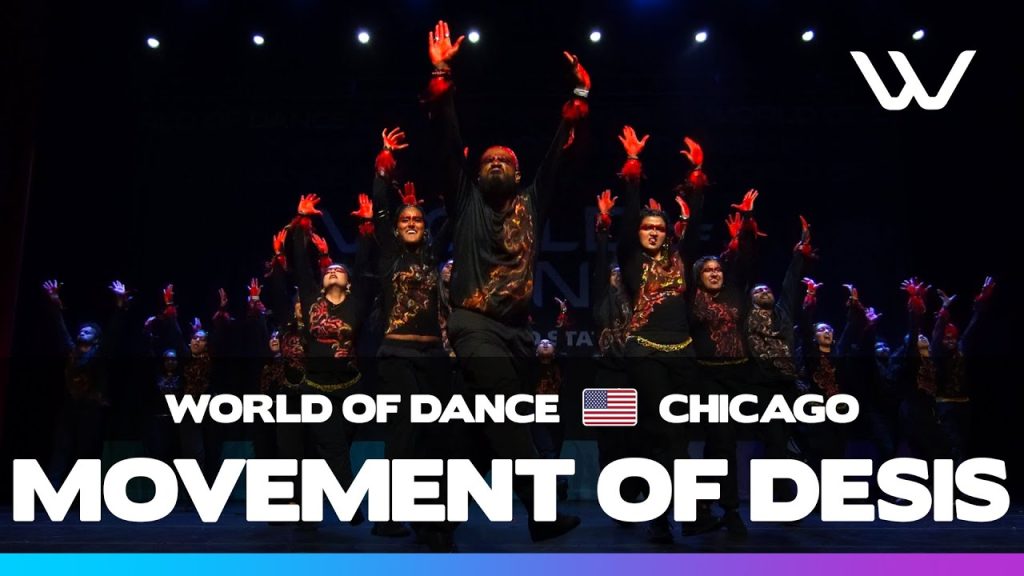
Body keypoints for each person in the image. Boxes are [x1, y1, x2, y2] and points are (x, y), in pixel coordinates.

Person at [422, 19, 588, 545]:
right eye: (488, 160)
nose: (495, 164)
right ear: (477, 174)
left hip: (517, 334)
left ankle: (437, 521)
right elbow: (448, 139)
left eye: (505, 161)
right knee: (510, 418)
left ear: (517, 175)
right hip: (474, 326)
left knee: (478, 436)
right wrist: (442, 75)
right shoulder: (465, 201)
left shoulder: (533, 203)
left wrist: (580, 96)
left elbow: (558, 155)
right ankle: (542, 514)